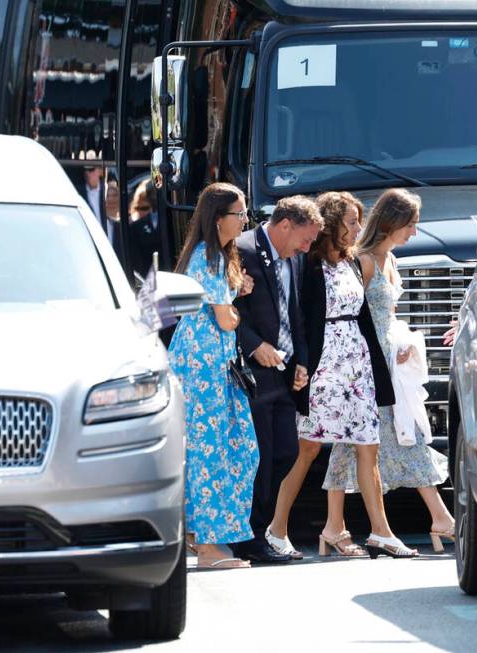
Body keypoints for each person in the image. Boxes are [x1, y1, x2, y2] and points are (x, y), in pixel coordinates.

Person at [266, 191, 414, 559]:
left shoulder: (350, 263)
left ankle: (382, 532)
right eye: (351, 221)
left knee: (369, 446)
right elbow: (297, 319)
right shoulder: (308, 264)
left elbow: (364, 317)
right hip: (322, 366)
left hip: (356, 365)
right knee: (308, 448)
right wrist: (300, 365)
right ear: (332, 223)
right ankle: (276, 528)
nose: (358, 228)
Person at [353, 188, 455, 552]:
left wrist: (403, 345)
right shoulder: (362, 261)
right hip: (368, 365)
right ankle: (438, 519)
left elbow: (390, 317)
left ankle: (439, 518)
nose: (414, 232)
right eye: (411, 224)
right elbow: (352, 317)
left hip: (393, 364)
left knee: (403, 434)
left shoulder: (391, 261)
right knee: (361, 446)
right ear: (392, 222)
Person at [167, 182, 258, 570]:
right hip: (205, 364)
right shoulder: (212, 258)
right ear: (219, 218)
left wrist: (234, 296)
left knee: (218, 447)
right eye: (239, 214)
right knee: (215, 450)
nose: (244, 220)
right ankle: (208, 546)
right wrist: (234, 309)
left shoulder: (209, 256)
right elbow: (226, 320)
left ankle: (201, 536)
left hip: (202, 362)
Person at [231, 195, 322, 564]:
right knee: (261, 456)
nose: (308, 246)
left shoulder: (294, 259)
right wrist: (254, 346)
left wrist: (302, 362)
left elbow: (295, 313)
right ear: (285, 225)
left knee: (285, 452)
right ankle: (249, 537)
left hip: (284, 370)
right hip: (254, 370)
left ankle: (258, 531)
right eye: (305, 238)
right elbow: (227, 308)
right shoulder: (243, 250)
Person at [74, 150, 122, 257]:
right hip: (88, 249)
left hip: (112, 246)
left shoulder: (110, 190)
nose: (87, 173)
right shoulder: (77, 193)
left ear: (100, 170)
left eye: (91, 169)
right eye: (85, 170)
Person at [128, 178, 159, 278]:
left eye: (145, 208)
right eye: (137, 208)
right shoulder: (133, 229)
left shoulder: (171, 222)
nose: (140, 212)